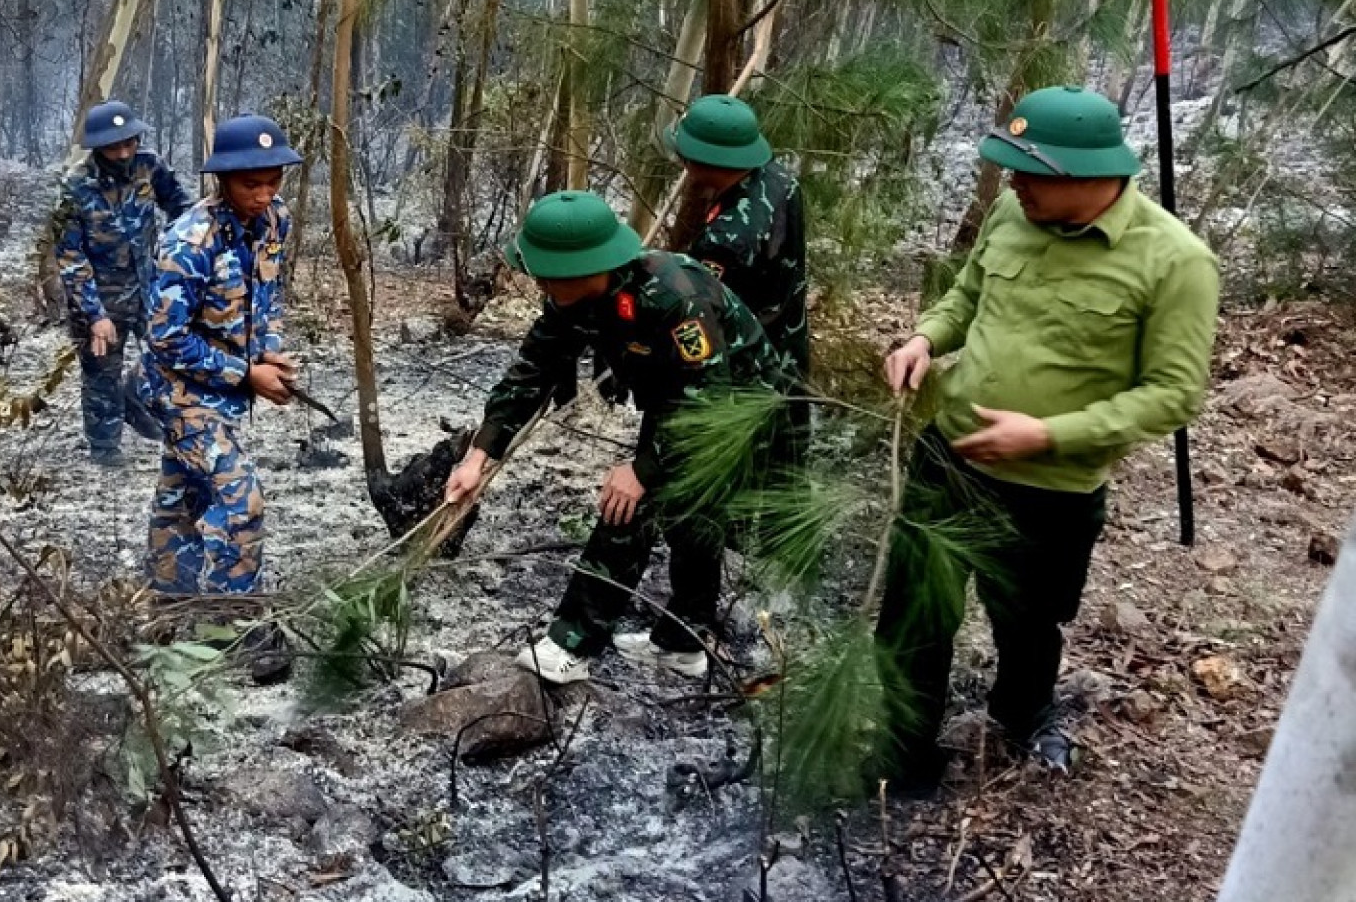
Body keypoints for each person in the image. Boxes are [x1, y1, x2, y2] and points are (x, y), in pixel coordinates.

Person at [875, 85, 1220, 792]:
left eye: (1029, 172)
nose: (1012, 184)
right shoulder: (1012, 211)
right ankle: (902, 761)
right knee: (913, 616)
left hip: (1052, 492)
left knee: (1028, 623)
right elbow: (967, 294)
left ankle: (1023, 710)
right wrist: (924, 336)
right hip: (951, 455)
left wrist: (1049, 434)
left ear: (1090, 175)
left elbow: (1174, 393)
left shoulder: (1176, 262)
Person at [443, 191, 794, 685]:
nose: (537, 280)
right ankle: (684, 643)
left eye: (545, 272)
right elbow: (532, 371)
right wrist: (481, 453)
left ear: (584, 267)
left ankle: (571, 645)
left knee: (630, 507)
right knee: (691, 515)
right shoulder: (574, 298)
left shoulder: (677, 297)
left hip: (736, 408)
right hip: (680, 403)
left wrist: (642, 470)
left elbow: (709, 403)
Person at [141, 114, 299, 642]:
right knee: (240, 501)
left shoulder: (276, 220)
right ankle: (235, 626)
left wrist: (271, 359)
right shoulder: (189, 241)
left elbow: (267, 300)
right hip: (177, 391)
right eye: (251, 184)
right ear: (222, 180)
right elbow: (165, 339)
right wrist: (243, 373)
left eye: (274, 181)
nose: (264, 194)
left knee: (181, 496)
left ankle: (165, 605)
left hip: (229, 389)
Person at [56, 100, 193, 466]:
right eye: (113, 146)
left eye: (129, 142)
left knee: (171, 356)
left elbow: (182, 208)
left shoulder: (149, 165)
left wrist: (176, 255)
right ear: (97, 147)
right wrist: (93, 313)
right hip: (100, 295)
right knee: (102, 372)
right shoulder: (75, 185)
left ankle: (142, 401)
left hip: (149, 285)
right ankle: (105, 448)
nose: (123, 152)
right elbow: (71, 255)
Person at [671, 94, 809, 379]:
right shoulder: (779, 179)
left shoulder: (725, 241)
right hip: (787, 356)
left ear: (698, 161)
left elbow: (700, 318)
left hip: (743, 377)